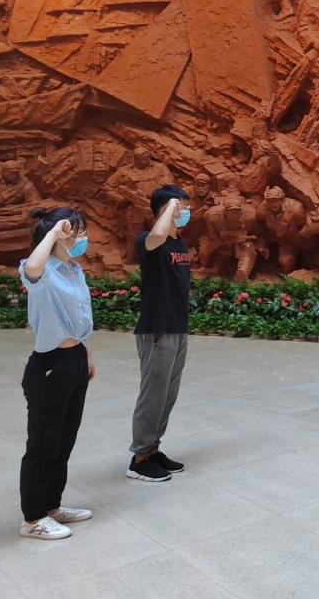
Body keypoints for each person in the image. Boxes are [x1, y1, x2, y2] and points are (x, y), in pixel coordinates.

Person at [18, 206, 96, 540]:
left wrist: (85, 353)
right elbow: (33, 268)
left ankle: (52, 506)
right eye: (77, 232)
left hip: (73, 358)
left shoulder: (74, 269)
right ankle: (33, 519)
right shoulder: (40, 269)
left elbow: (79, 315)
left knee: (64, 441)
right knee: (43, 445)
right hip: (49, 365)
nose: (83, 237)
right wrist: (52, 233)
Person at [127, 185, 192, 482]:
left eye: (185, 206)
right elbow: (155, 237)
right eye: (178, 207)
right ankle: (139, 458)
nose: (184, 211)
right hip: (157, 328)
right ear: (162, 211)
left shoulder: (180, 244)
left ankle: (153, 449)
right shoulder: (148, 240)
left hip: (177, 327)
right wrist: (168, 211)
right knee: (153, 394)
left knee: (167, 395)